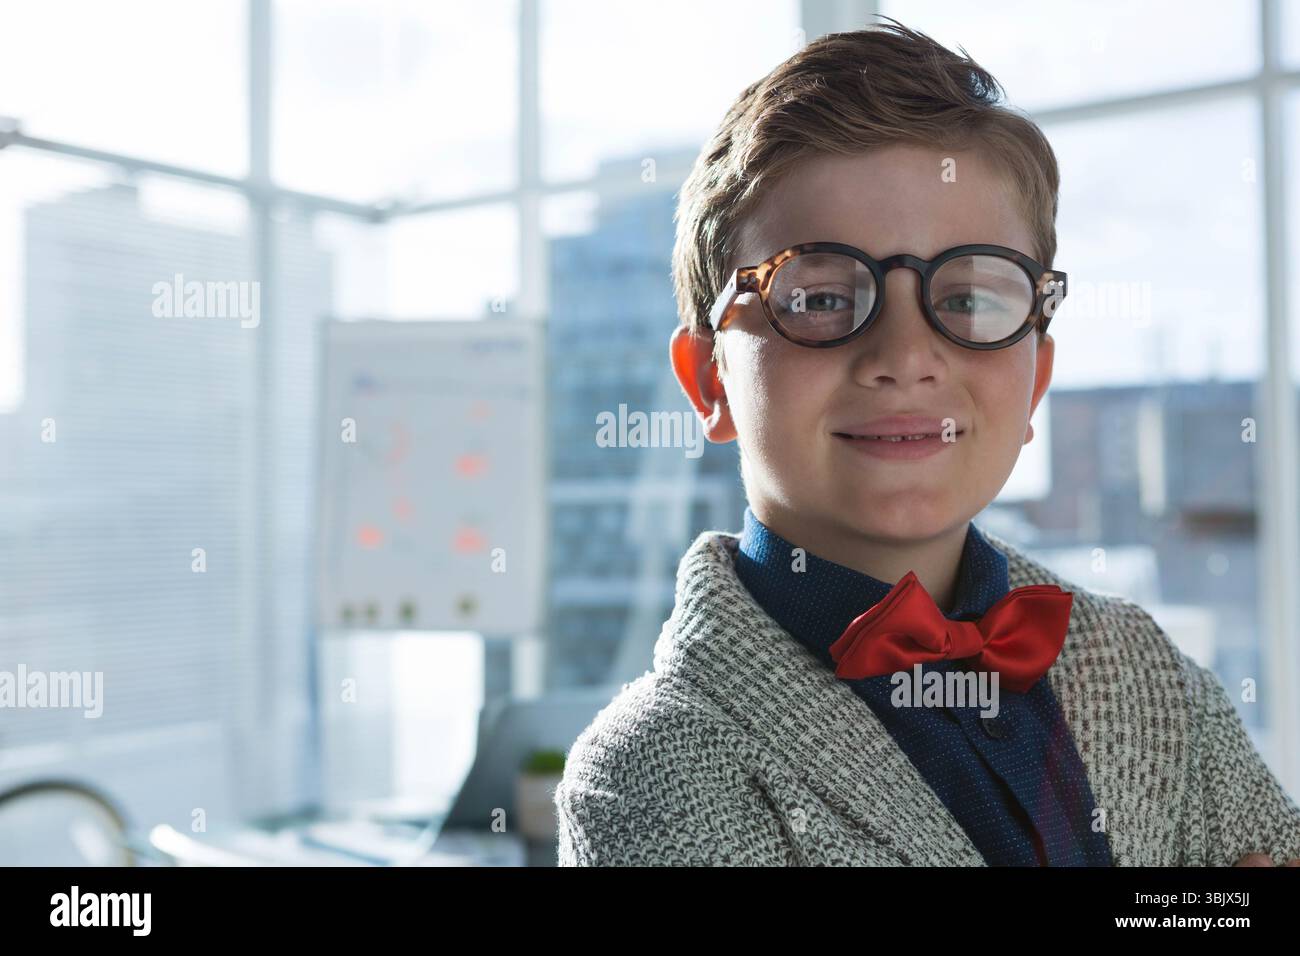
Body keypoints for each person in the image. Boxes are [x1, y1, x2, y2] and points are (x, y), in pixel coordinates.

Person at [553, 16, 1300, 866]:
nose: (906, 357)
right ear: (711, 381)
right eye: (823, 298)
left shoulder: (1146, 669)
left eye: (969, 299)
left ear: (1035, 380)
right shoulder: (650, 769)